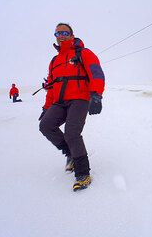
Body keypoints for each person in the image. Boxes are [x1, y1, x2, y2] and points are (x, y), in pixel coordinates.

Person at [39, 23, 105, 191]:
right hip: (60, 101)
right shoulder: (54, 61)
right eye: (57, 33)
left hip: (80, 99)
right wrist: (46, 107)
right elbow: (52, 86)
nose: (61, 35)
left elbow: (96, 73)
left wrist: (96, 95)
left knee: (72, 133)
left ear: (71, 34)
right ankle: (70, 154)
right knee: (46, 125)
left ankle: (83, 173)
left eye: (64, 32)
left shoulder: (83, 53)